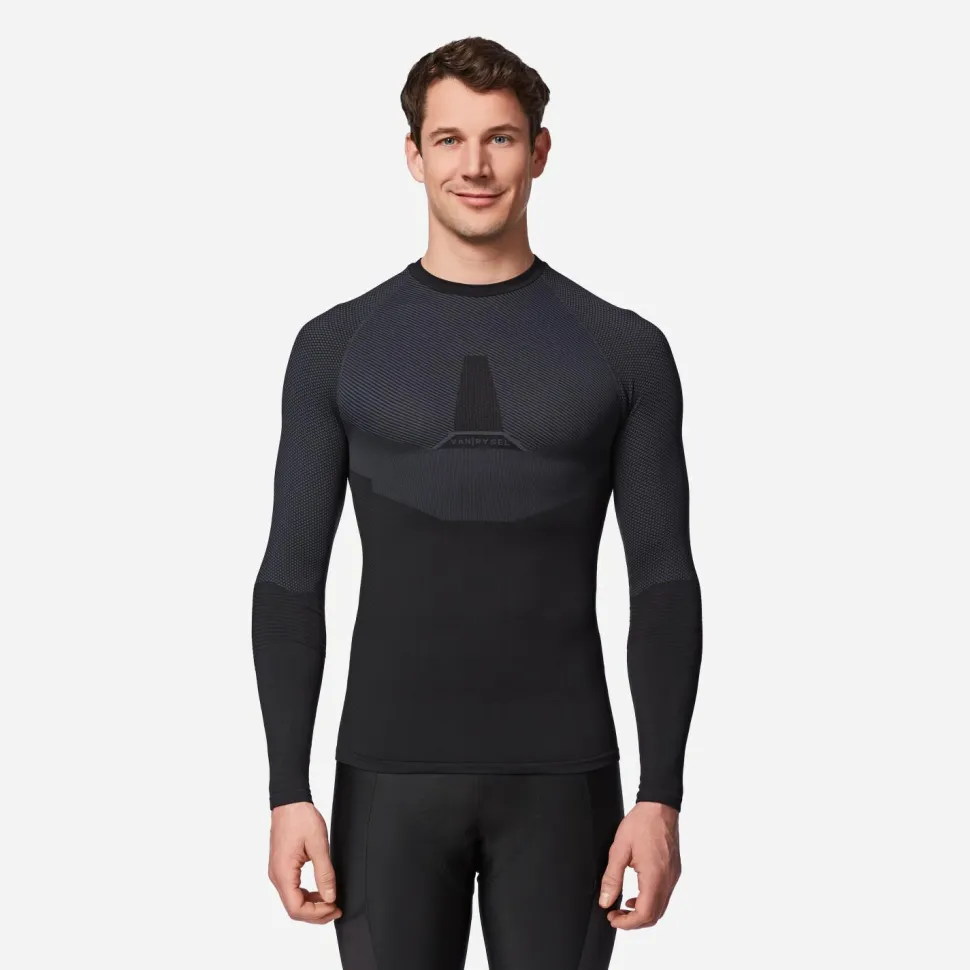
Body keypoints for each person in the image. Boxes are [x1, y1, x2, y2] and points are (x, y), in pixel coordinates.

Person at [252, 35, 703, 969]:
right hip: (386, 781)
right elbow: (291, 577)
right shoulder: (337, 348)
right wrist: (287, 788)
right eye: (449, 140)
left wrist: (660, 795)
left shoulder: (623, 351)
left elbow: (664, 580)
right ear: (412, 155)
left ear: (540, 151)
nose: (475, 166)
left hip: (565, 782)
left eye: (499, 138)